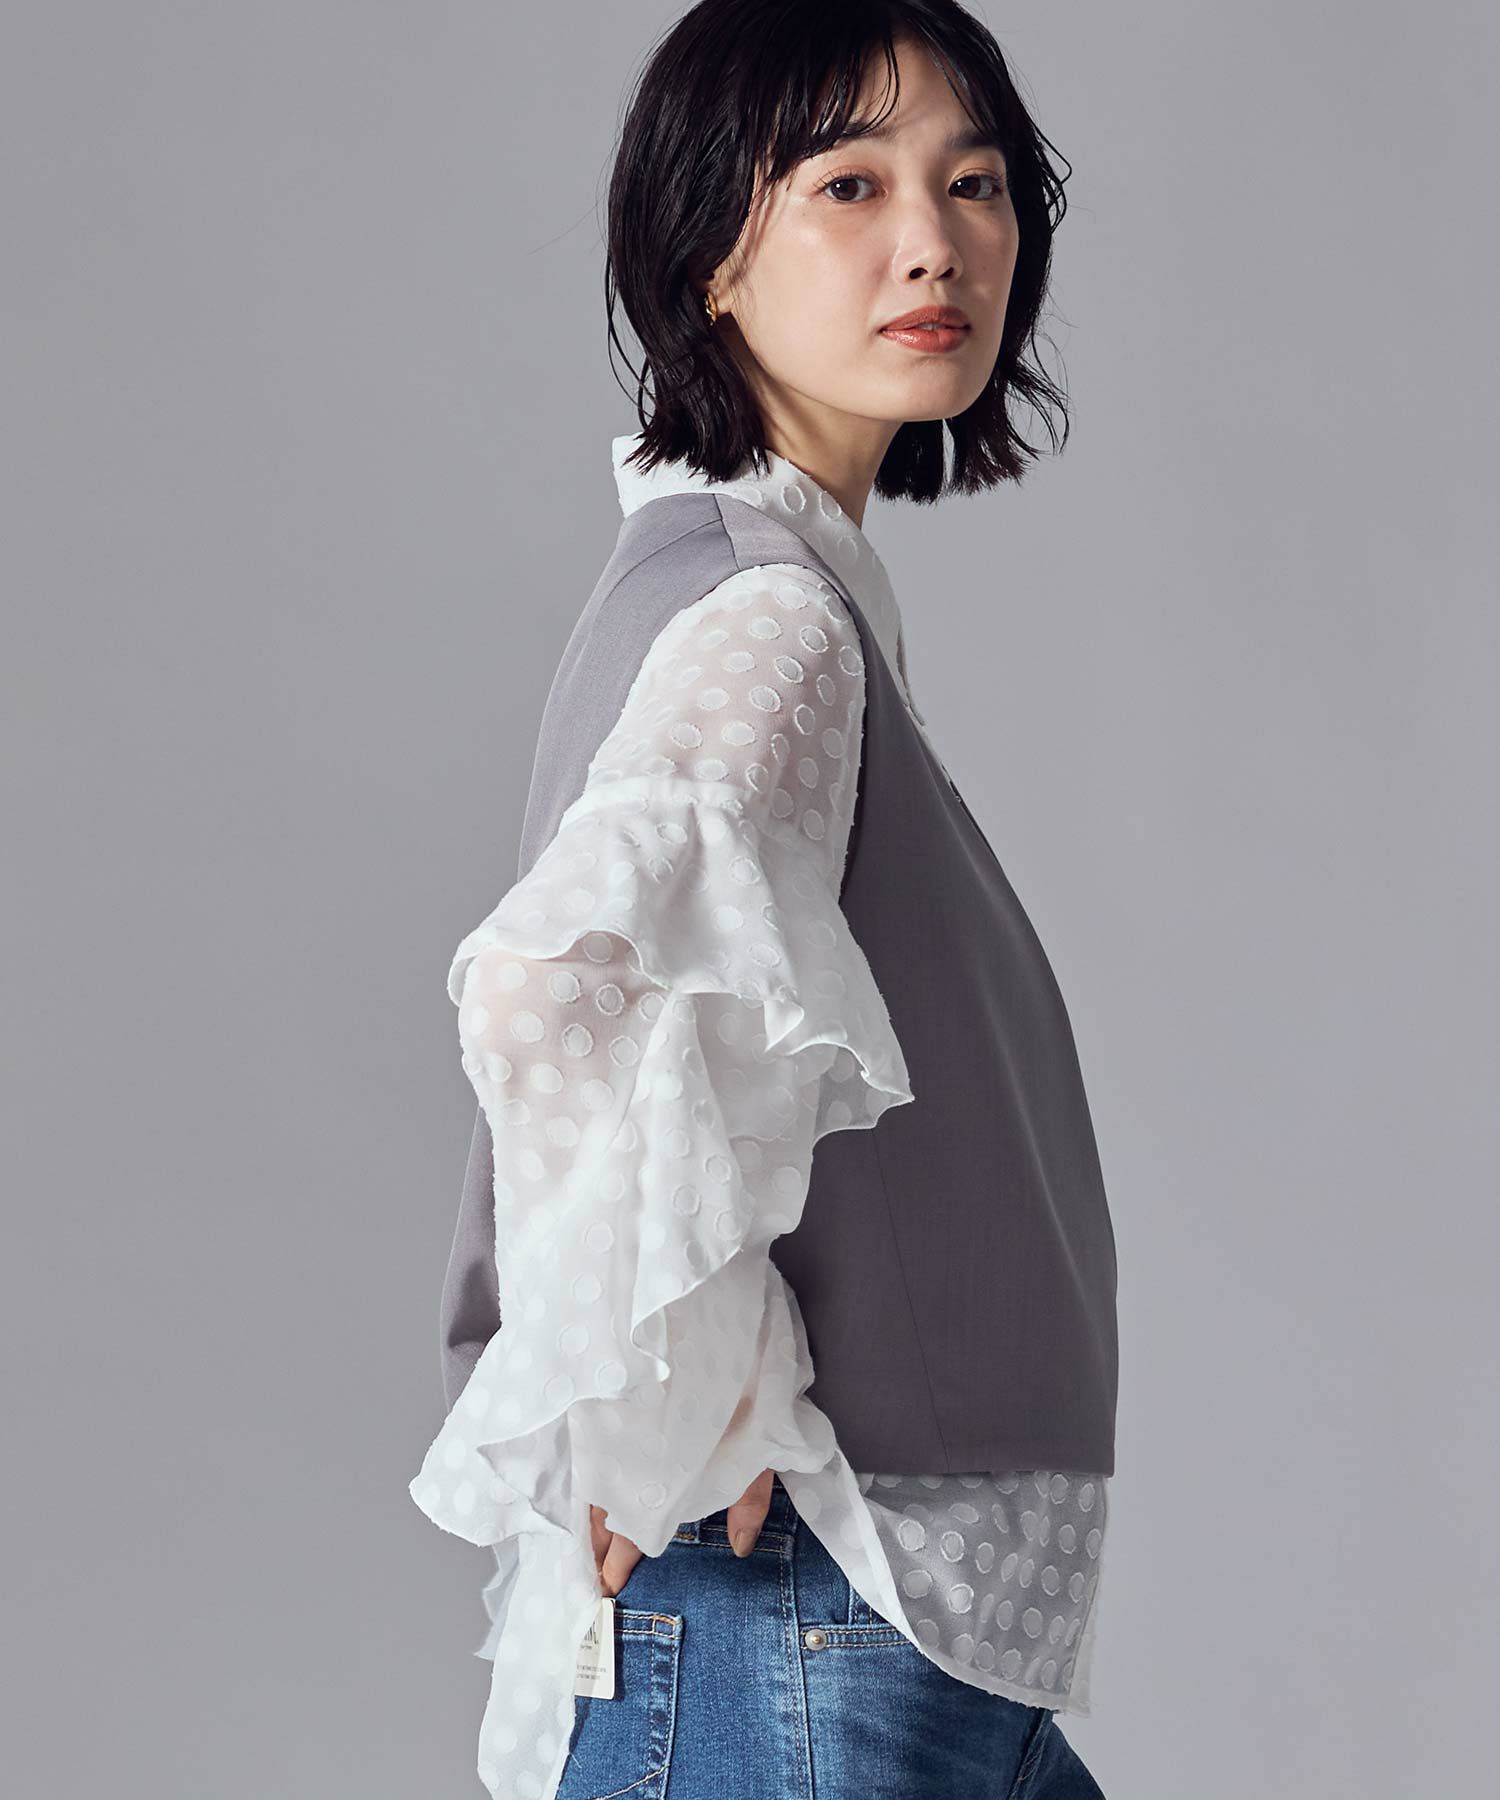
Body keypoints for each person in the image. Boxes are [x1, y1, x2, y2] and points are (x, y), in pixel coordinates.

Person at [409, 5, 1119, 1797]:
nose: (932, 243)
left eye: (975, 184)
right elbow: (554, 983)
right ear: (709, 251)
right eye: (849, 186)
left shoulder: (757, 583)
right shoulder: (771, 619)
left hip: (872, 1631)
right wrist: (694, 1386)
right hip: (802, 1612)